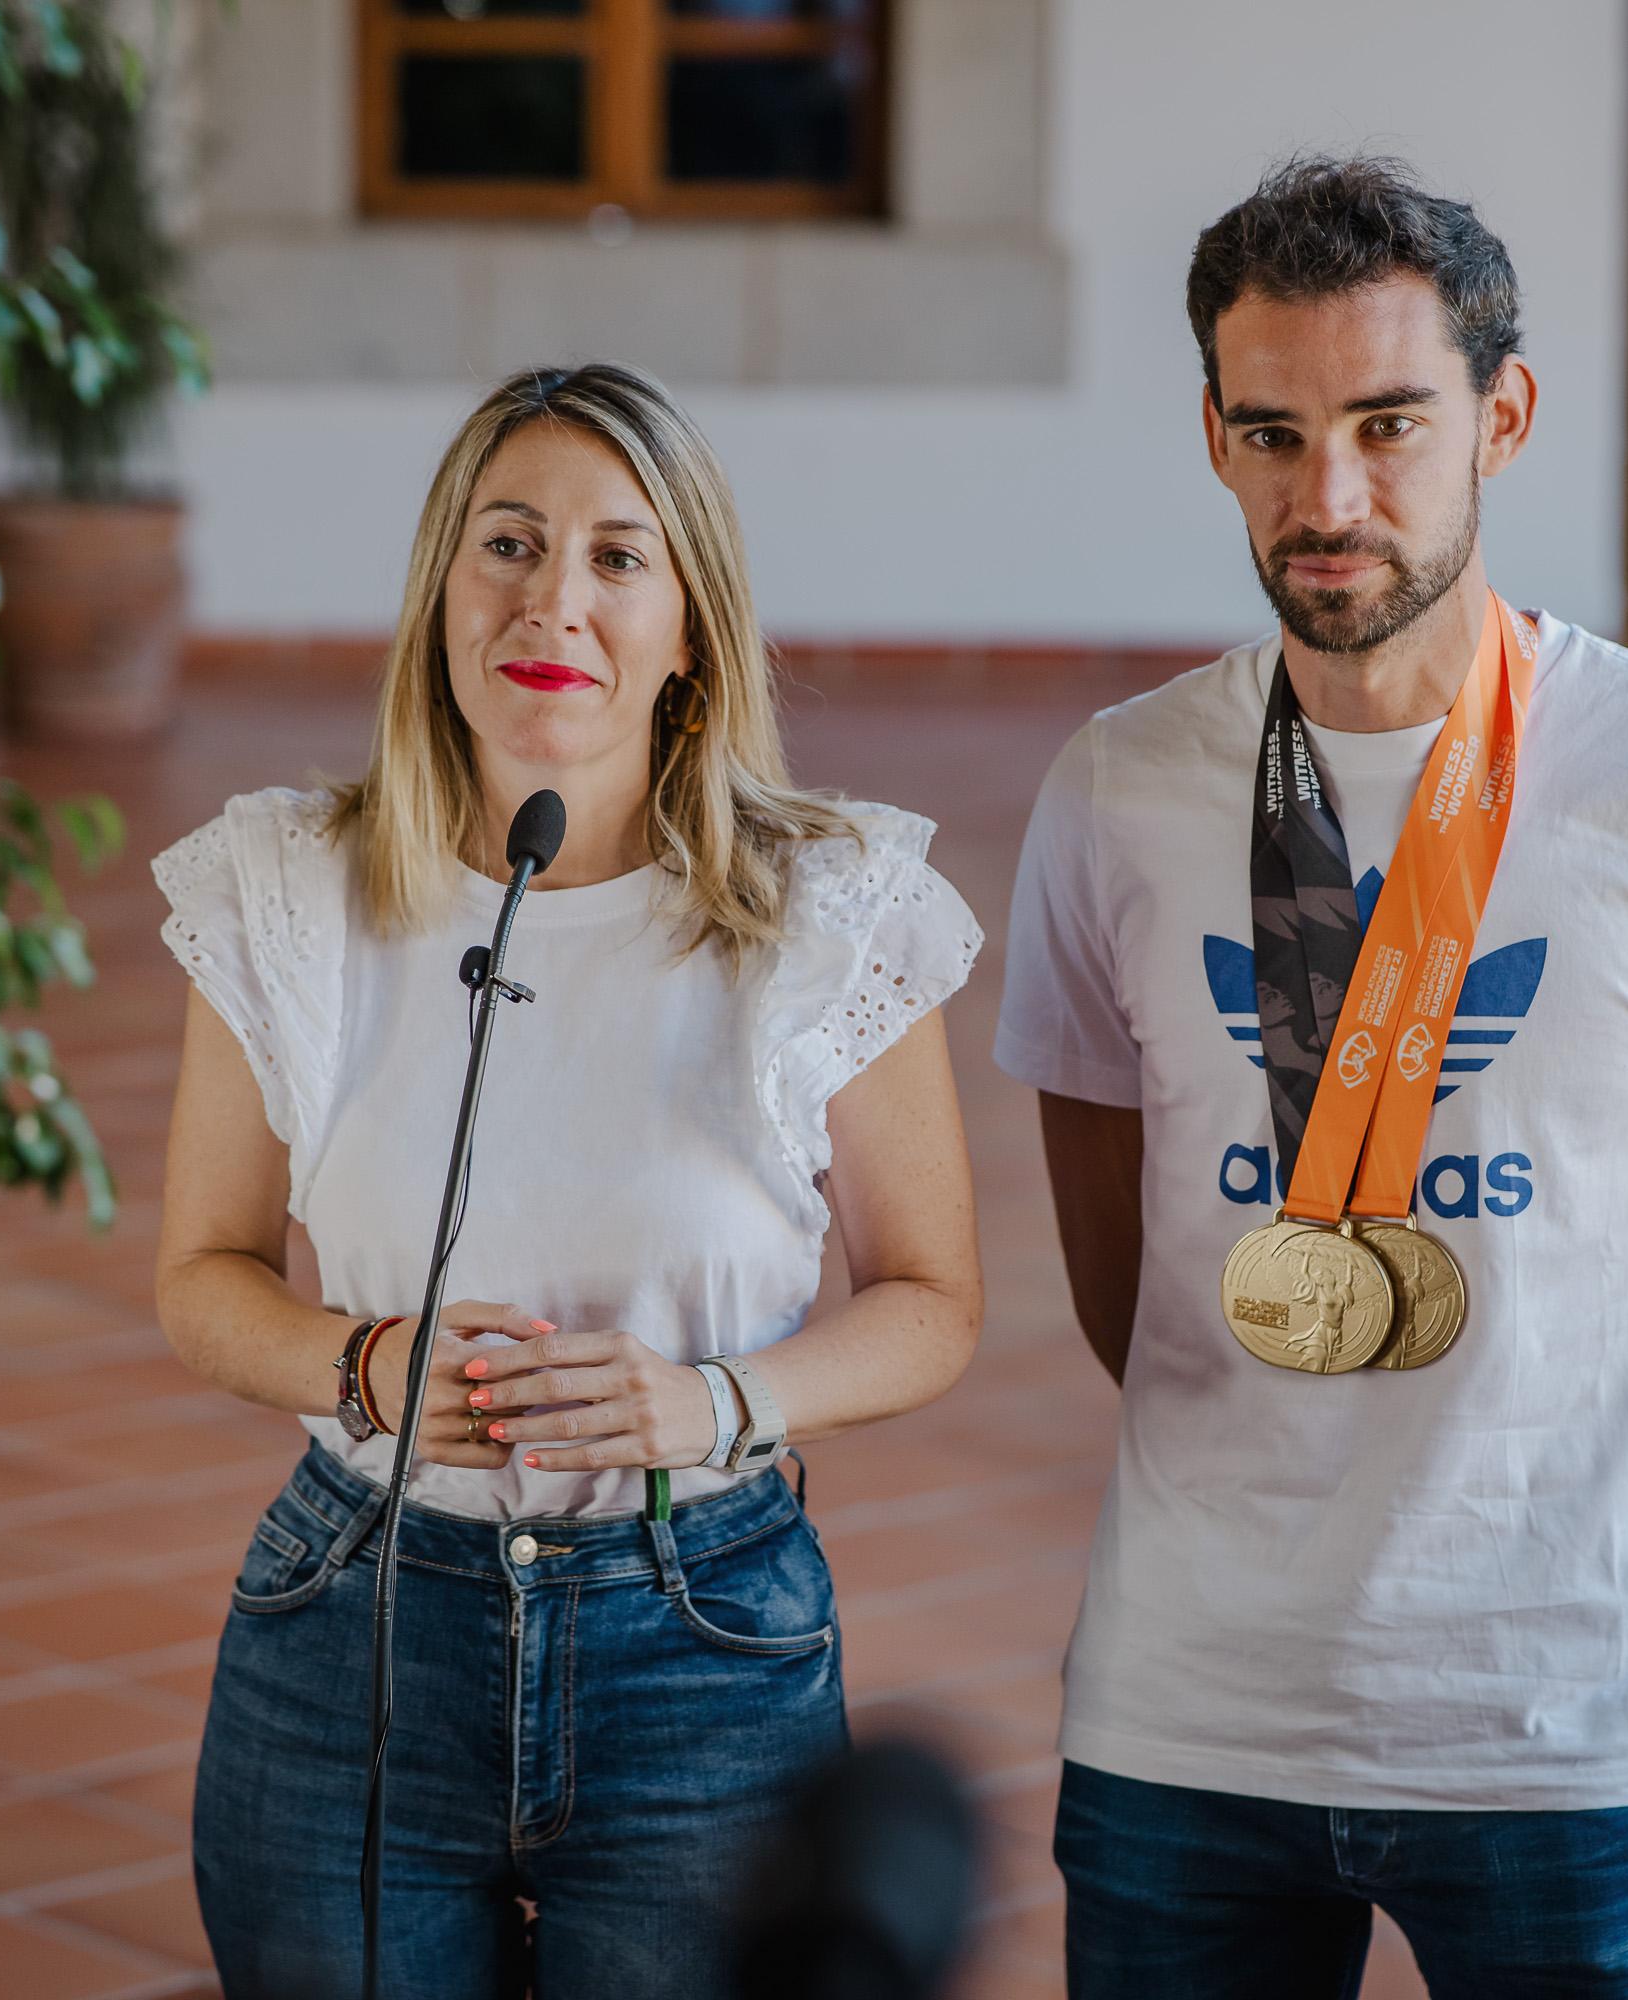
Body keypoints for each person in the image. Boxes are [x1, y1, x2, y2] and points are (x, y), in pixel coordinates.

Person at [995, 156, 1628, 1998]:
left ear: (1505, 414)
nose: (1329, 497)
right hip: (1190, 1713)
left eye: (1390, 426)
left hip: (1565, 1732)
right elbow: (1131, 1275)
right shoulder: (1114, 792)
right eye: (1274, 434)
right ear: (1218, 438)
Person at [151, 363, 985, 1997]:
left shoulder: (835, 907)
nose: (555, 600)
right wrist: (365, 1365)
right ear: (441, 593)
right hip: (355, 1631)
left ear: (691, 628)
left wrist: (722, 1404)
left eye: (620, 556)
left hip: (700, 1646)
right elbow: (202, 1277)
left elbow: (935, 1304)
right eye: (509, 543)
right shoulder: (287, 891)